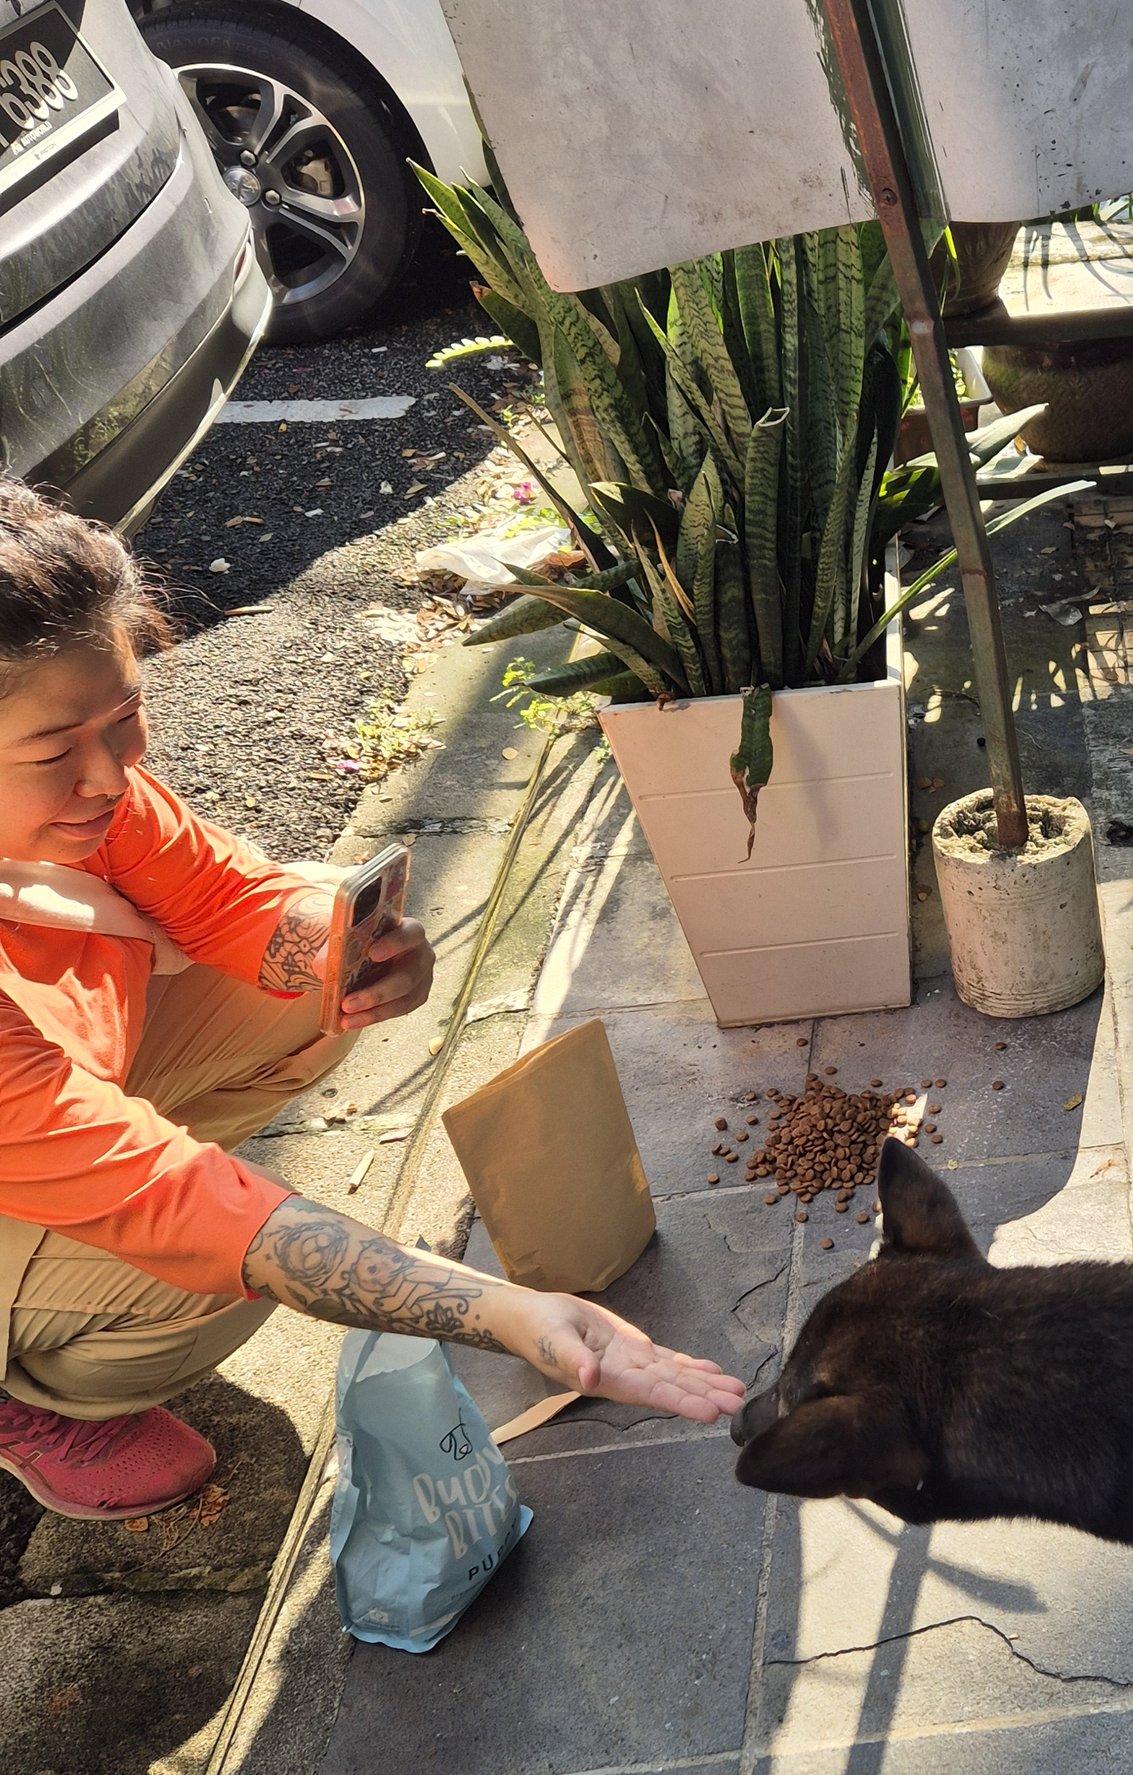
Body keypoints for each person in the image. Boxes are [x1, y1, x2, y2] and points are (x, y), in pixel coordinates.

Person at [0, 481, 741, 1522]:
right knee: (209, 1280)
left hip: (43, 1102)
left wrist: (344, 947)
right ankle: (31, 1394)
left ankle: (71, 1215)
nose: (113, 777)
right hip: (33, 1118)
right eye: (53, 754)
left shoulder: (88, 789)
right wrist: (504, 1314)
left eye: (125, 718)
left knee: (310, 978)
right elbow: (156, 1194)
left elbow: (218, 893)